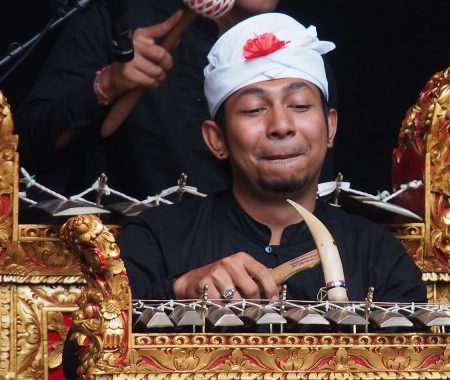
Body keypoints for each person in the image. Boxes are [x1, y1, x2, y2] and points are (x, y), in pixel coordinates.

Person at [116, 12, 426, 303]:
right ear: (217, 139)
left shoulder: (378, 258)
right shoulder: (155, 240)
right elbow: (87, 351)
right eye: (254, 109)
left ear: (330, 127)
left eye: (300, 105)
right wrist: (179, 288)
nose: (280, 126)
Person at [15, 0, 279, 200]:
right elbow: (25, 150)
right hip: (118, 249)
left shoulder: (294, 44)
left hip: (241, 252)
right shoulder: (118, 18)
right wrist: (106, 85)